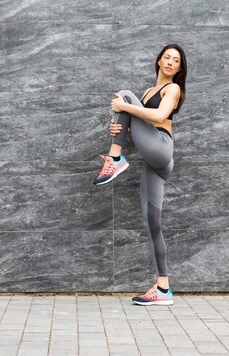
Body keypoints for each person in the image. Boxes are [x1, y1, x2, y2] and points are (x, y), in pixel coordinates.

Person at [93, 44, 187, 306]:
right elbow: (140, 124)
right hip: (152, 160)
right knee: (151, 223)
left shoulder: (173, 89)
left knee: (124, 95)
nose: (170, 62)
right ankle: (163, 288)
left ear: (179, 68)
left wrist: (126, 108)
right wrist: (121, 126)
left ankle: (114, 158)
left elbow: (158, 115)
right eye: (166, 57)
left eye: (175, 60)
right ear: (158, 61)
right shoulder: (147, 92)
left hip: (161, 148)